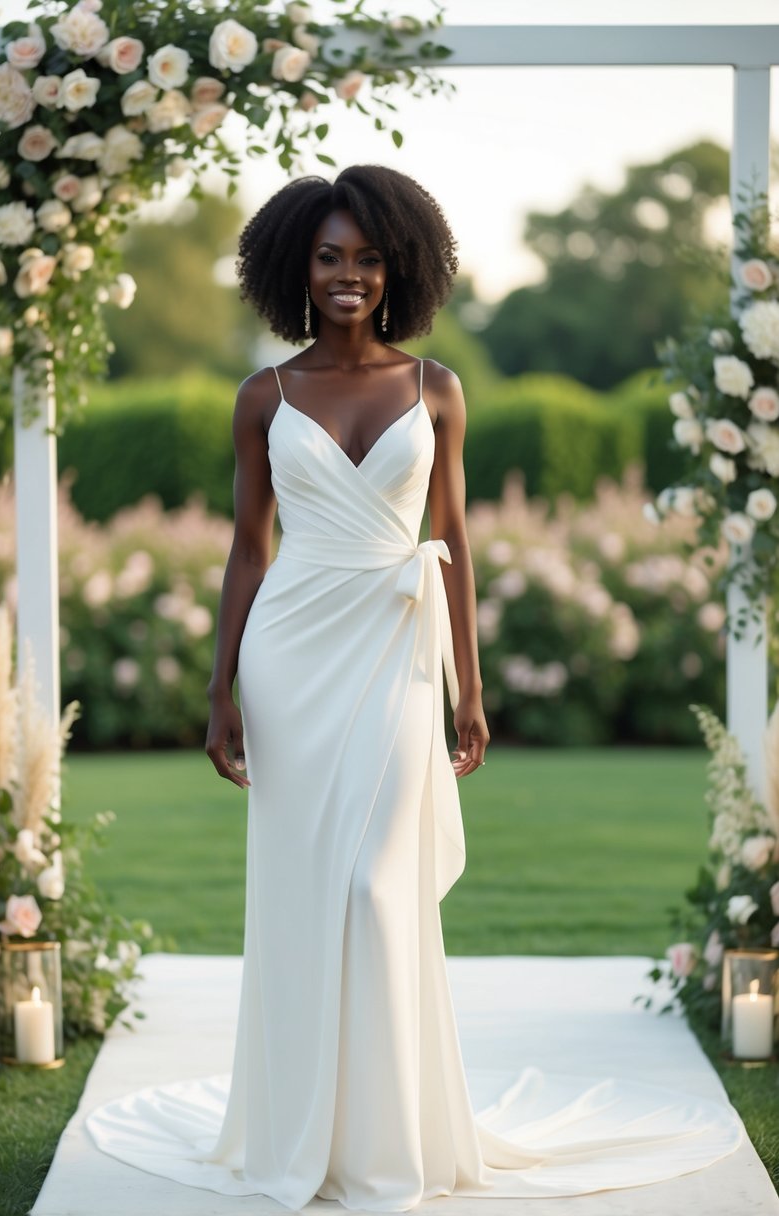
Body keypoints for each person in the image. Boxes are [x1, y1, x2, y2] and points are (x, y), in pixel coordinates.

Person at [85, 164, 743, 1211]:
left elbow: (456, 540)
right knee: (305, 893)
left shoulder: (435, 386)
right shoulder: (266, 394)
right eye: (329, 257)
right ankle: (311, 1129)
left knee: (377, 888)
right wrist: (222, 688)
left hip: (399, 647)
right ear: (296, 268)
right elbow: (247, 551)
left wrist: (469, 687)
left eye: (368, 258)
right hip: (291, 651)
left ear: (400, 269)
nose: (349, 276)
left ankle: (392, 1143)